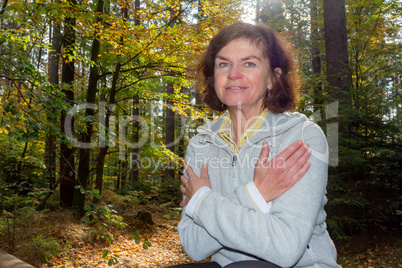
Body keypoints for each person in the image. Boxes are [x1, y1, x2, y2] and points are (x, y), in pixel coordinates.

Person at [171, 22, 340, 268]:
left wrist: (203, 202)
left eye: (249, 63)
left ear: (273, 77)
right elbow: (193, 245)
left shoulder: (301, 138)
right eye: (223, 64)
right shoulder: (201, 144)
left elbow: (286, 248)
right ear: (213, 76)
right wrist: (255, 194)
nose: (233, 74)